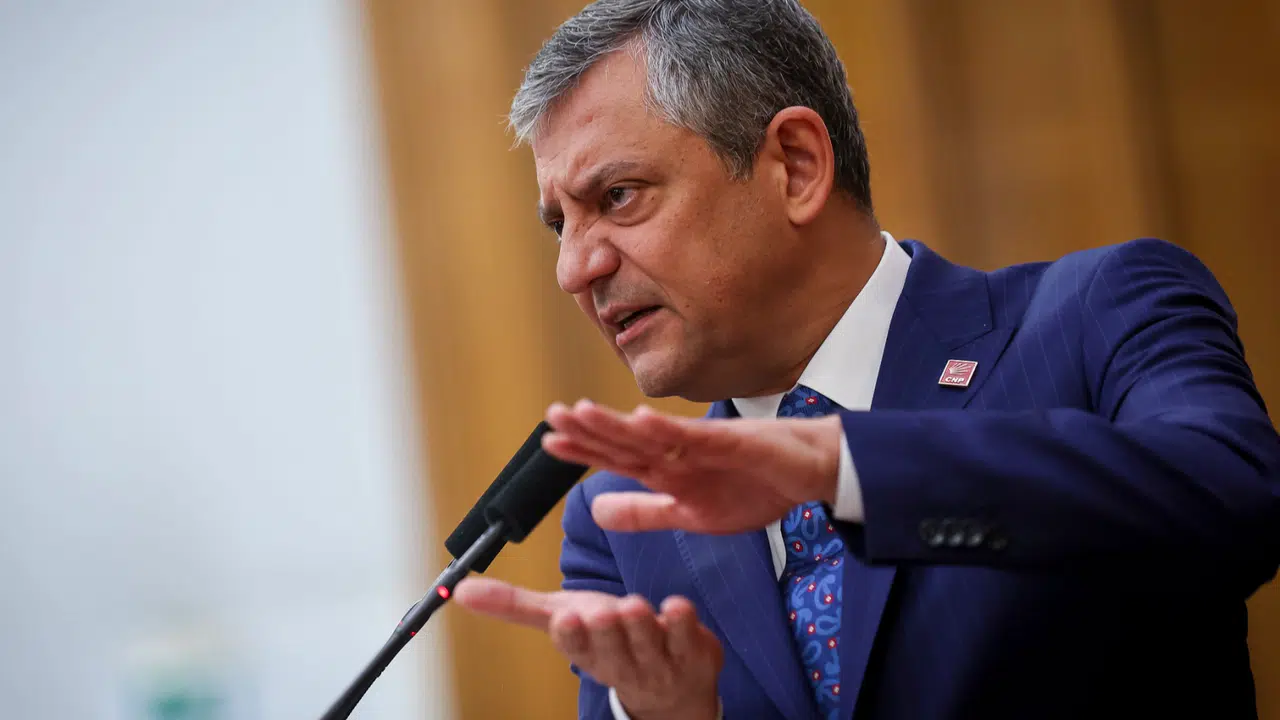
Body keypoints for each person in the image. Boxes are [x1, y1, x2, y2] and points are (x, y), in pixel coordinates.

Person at [453, 1, 1280, 718]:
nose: (575, 270)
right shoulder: (624, 519)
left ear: (796, 166)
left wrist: (846, 464)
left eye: (617, 196)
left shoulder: (1097, 312)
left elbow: (1237, 498)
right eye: (560, 225)